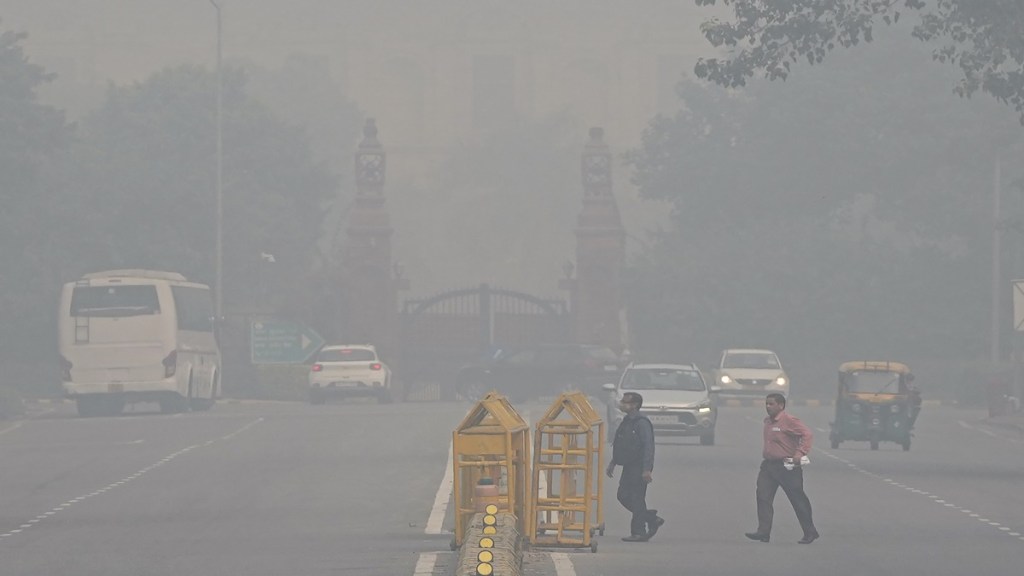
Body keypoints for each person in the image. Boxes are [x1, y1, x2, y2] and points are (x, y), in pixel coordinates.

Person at [745, 393, 820, 544]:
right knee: (763, 496)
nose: (768, 407)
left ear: (781, 405)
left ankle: (810, 532)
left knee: (797, 499)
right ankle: (763, 531)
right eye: (766, 404)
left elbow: (807, 434)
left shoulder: (789, 421)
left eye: (771, 404)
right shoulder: (767, 421)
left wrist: (800, 453)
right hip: (769, 466)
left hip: (787, 466)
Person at [605, 391, 664, 542]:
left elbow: (648, 446)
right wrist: (613, 462)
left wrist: (646, 469)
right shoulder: (627, 421)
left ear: (635, 405)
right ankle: (651, 518)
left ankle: (639, 532)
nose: (622, 404)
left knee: (637, 498)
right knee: (622, 495)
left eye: (625, 402)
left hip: (639, 467)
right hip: (628, 465)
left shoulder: (641, 423)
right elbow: (621, 443)